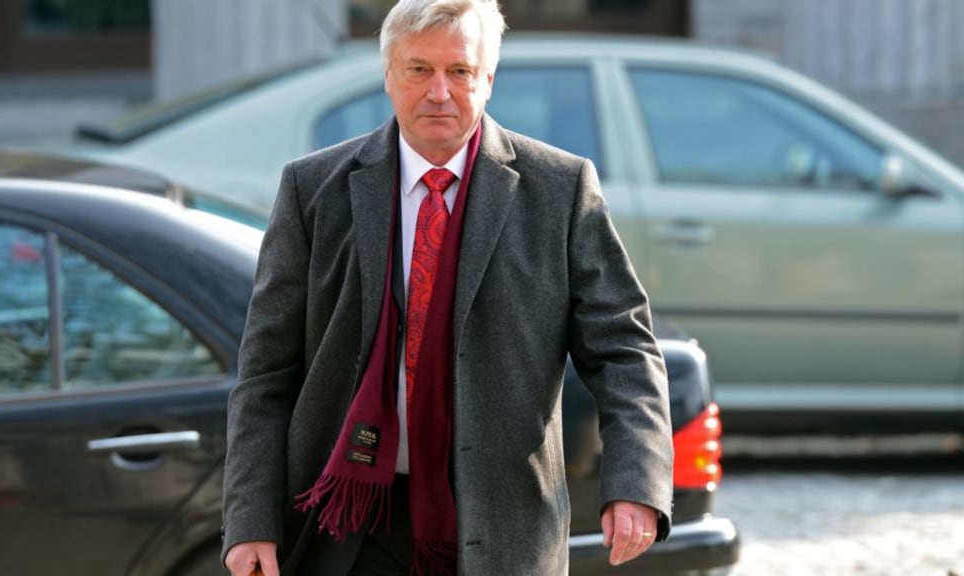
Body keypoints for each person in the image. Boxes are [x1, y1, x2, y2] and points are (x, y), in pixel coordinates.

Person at [221, 0, 673, 574]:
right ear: (389, 75)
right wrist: (250, 521)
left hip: (502, 524)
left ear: (489, 79)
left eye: (459, 71)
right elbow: (266, 373)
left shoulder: (560, 190)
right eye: (419, 69)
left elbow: (624, 348)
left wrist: (636, 481)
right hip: (345, 524)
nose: (439, 92)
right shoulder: (311, 190)